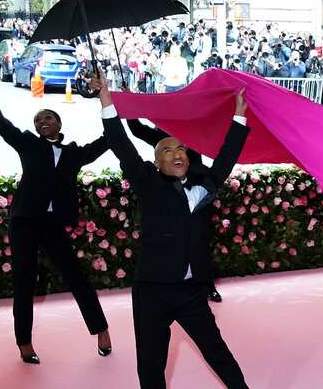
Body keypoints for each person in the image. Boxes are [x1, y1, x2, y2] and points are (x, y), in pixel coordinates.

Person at [94, 72, 250, 389]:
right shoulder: (146, 182)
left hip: (191, 293)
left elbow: (226, 159)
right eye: (167, 150)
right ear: (156, 164)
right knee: (151, 368)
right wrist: (107, 101)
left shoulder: (200, 190)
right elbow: (122, 145)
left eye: (181, 149)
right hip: (152, 292)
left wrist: (239, 115)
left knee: (218, 354)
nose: (177, 153)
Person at [0, 61, 112, 363]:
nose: (41, 122)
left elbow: (108, 140)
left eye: (47, 118)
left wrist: (106, 99)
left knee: (76, 277)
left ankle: (101, 330)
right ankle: (24, 343)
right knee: (23, 282)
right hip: (22, 222)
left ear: (59, 123)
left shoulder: (74, 154)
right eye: (37, 120)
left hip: (52, 223)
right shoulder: (28, 145)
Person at [120, 86, 224, 303]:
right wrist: (130, 103)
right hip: (169, 195)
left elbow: (217, 131)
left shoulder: (193, 128)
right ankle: (174, 281)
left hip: (198, 193)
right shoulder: (161, 136)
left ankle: (207, 285)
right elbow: (137, 130)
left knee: (200, 239)